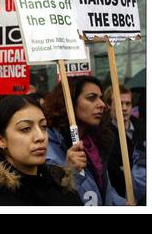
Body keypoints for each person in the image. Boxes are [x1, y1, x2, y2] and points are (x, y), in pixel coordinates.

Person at [0, 96, 81, 206]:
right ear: (0, 140)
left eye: (43, 127)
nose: (40, 137)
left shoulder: (62, 186)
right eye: (25, 129)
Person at [43, 76, 127, 205]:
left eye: (101, 98)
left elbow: (104, 191)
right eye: (91, 98)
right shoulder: (48, 146)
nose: (102, 104)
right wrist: (69, 170)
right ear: (69, 102)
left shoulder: (95, 142)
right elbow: (55, 199)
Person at [103, 85, 146, 202]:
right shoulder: (104, 136)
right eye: (119, 103)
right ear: (108, 105)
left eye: (128, 103)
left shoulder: (142, 127)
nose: (124, 108)